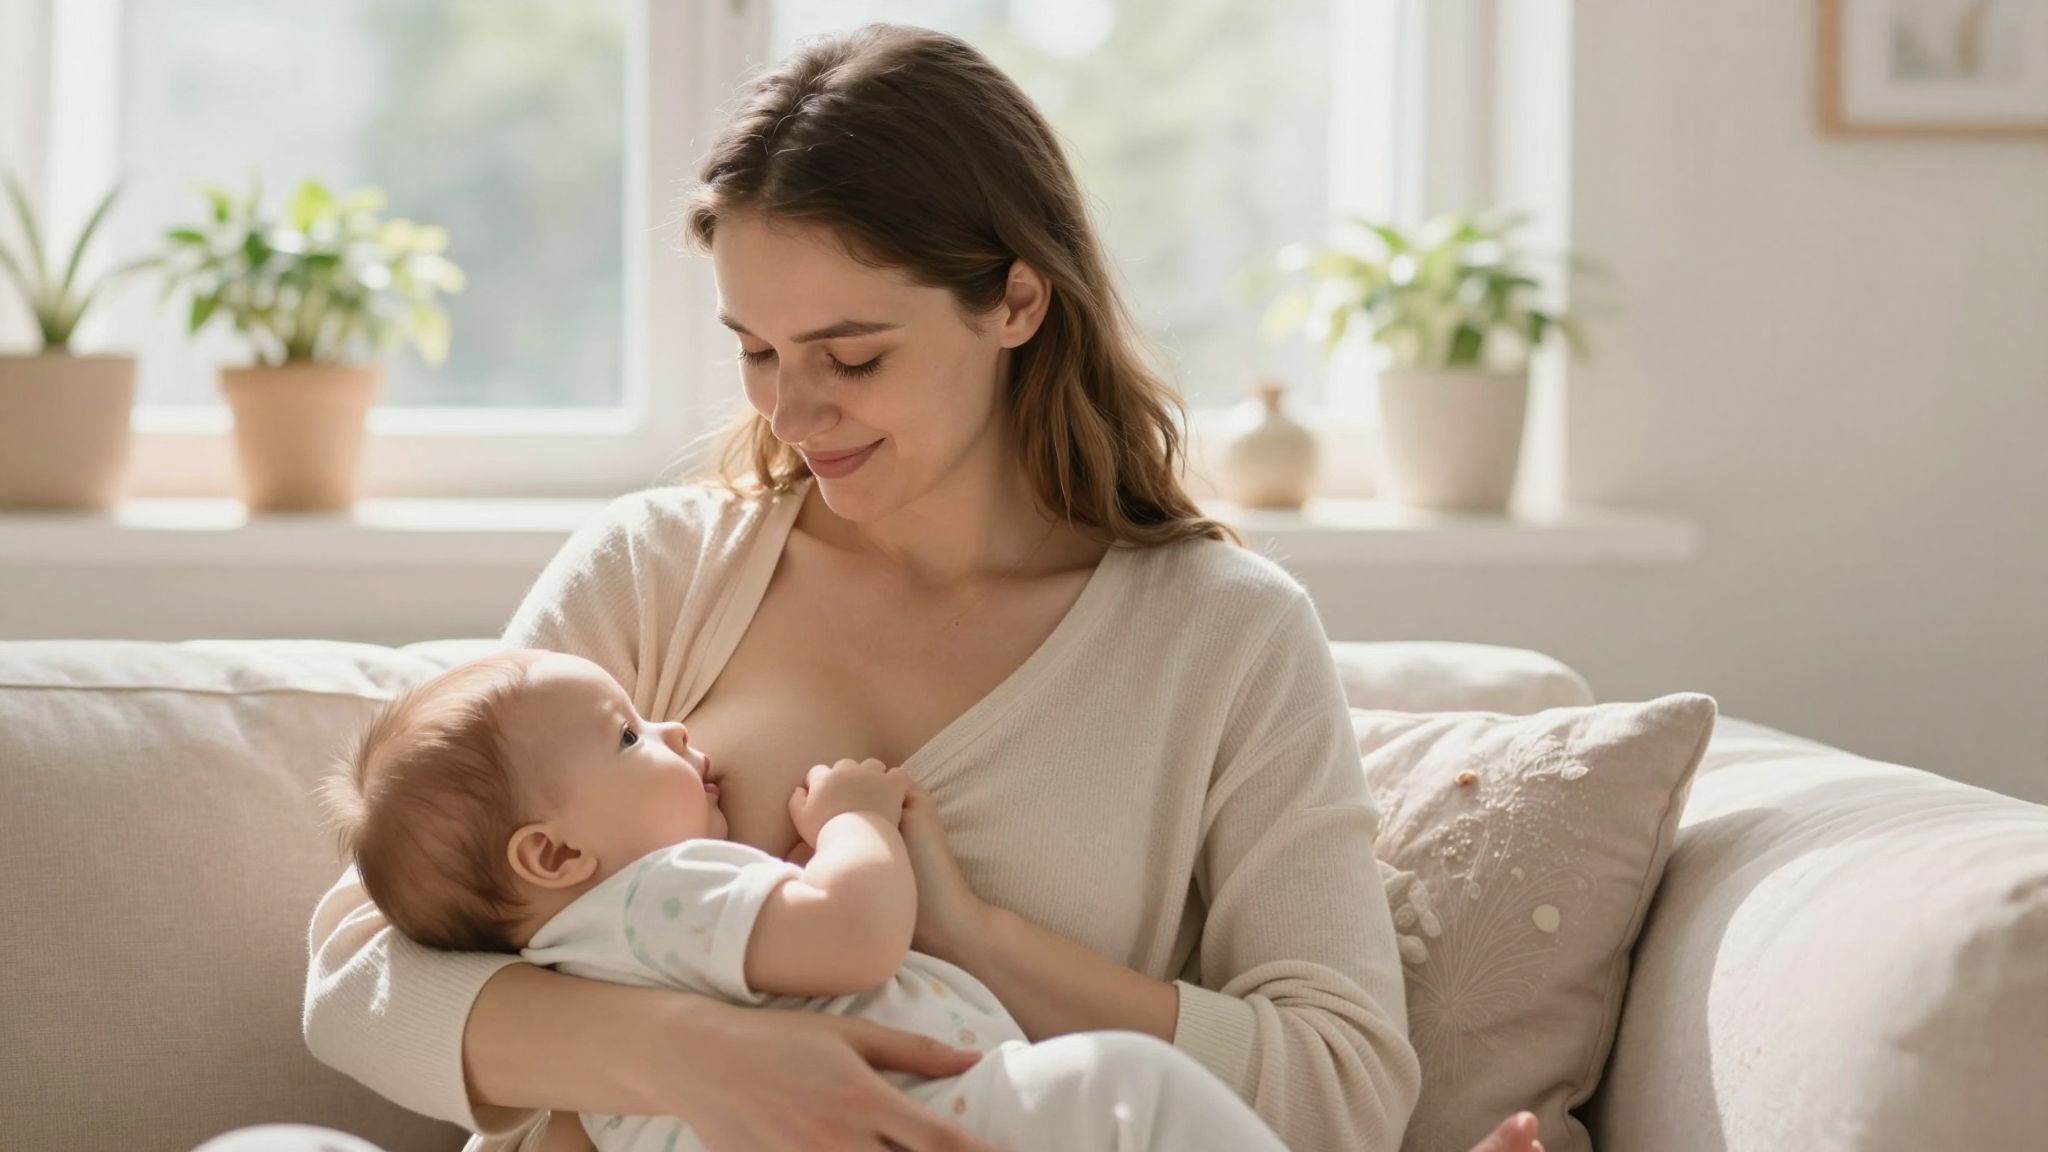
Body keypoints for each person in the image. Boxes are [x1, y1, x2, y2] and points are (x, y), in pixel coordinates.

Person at [303, 22, 1544, 1152]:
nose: (791, 411)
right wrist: (710, 1058)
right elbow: (361, 973)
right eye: (756, 352)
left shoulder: (1219, 637)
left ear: (1013, 300)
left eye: (850, 356)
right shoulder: (660, 570)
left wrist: (971, 936)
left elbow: (1340, 1082)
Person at [317, 647, 1295, 1152]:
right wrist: (854, 821)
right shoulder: (658, 893)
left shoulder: (561, 959)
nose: (669, 724)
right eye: (628, 738)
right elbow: (852, 935)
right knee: (1124, 1087)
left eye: (853, 354)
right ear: (553, 852)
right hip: (924, 1121)